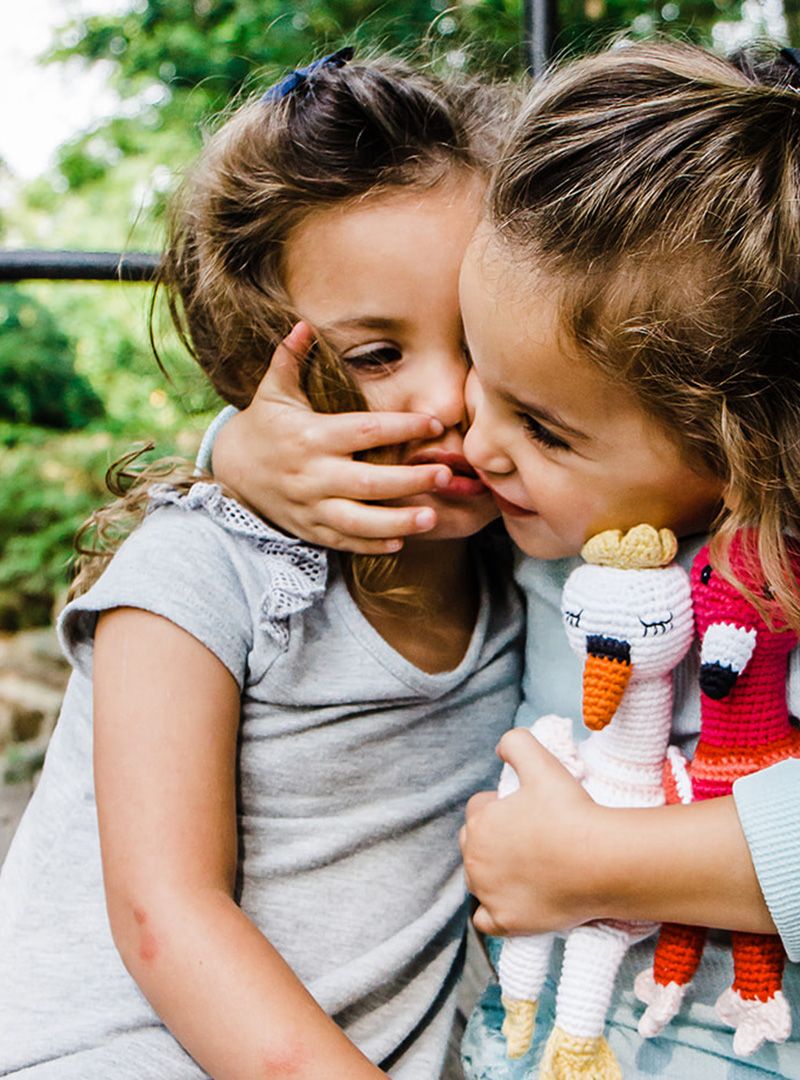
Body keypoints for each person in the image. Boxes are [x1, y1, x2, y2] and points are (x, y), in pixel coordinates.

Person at [198, 42, 800, 1079]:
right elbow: (350, 463)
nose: (478, 443)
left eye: (544, 425)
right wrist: (234, 452)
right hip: (564, 1042)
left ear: (747, 449)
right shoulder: (557, 522)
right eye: (488, 374)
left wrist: (592, 868)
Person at [0, 52, 524, 1079]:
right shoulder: (201, 575)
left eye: (482, 332)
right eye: (376, 356)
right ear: (258, 366)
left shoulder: (530, 552)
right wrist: (233, 452)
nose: (453, 394)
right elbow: (168, 914)